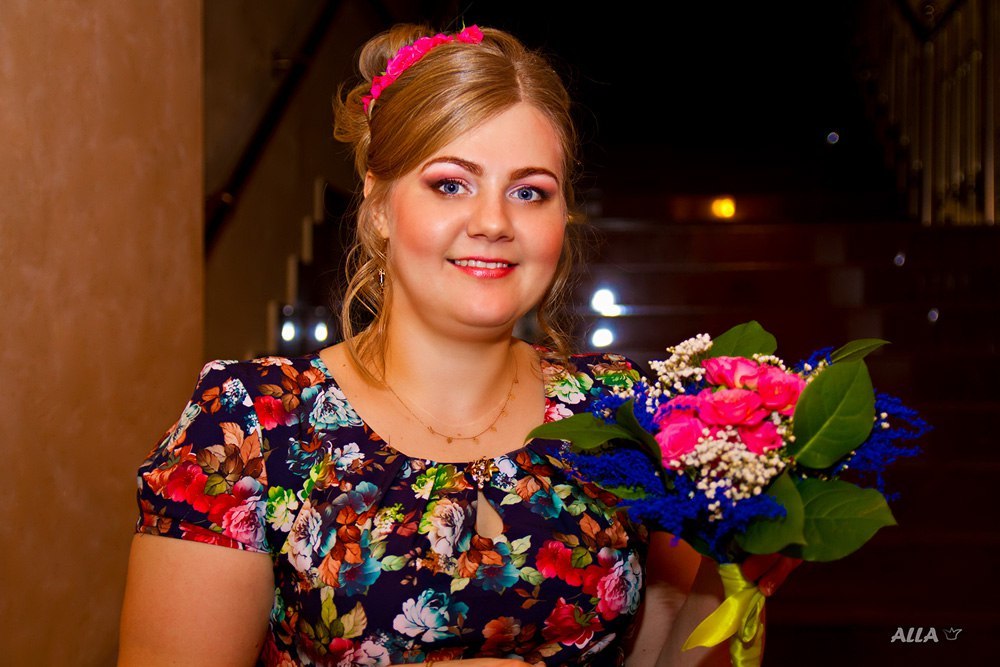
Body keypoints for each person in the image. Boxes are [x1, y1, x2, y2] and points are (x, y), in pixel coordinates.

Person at [118, 24, 724, 666]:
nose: (493, 222)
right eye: (451, 184)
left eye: (529, 192)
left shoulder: (625, 411)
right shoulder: (249, 424)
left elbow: (663, 654)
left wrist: (738, 574)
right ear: (379, 204)